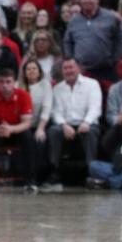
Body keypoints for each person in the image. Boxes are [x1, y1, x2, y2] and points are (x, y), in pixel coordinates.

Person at [45, 57, 103, 192]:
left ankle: (92, 171)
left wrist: (86, 122)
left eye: (71, 67)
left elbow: (96, 107)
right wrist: (64, 125)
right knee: (53, 131)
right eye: (65, 68)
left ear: (79, 68)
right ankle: (54, 171)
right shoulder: (57, 88)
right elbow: (55, 112)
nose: (68, 71)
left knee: (91, 132)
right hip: (66, 125)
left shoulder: (92, 84)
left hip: (87, 123)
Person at [0, 68, 36, 194]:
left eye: (8, 82)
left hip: (17, 130)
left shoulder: (24, 96)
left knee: (28, 137)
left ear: (14, 82)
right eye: (1, 82)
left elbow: (26, 123)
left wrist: (11, 128)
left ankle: (30, 182)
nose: (5, 85)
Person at [62, 0, 122, 83]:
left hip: (106, 70)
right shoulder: (74, 21)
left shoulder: (110, 17)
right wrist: (72, 61)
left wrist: (114, 59)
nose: (87, 0)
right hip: (82, 71)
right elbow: (67, 42)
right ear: (80, 0)